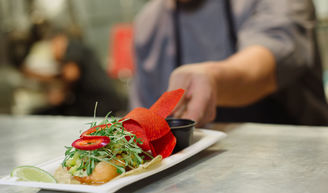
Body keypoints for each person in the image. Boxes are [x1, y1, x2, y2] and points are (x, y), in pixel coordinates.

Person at [131, 0, 328, 126]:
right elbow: (145, 116)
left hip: (293, 156)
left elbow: (268, 61)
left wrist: (213, 78)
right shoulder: (148, 23)